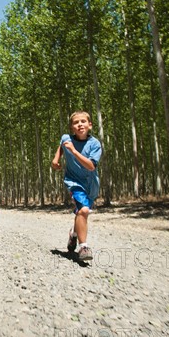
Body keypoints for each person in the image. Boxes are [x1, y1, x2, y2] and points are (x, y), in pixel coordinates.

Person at [52, 111, 102, 262]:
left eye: (83, 121)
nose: (80, 124)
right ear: (72, 127)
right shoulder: (66, 138)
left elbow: (91, 166)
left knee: (81, 213)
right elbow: (62, 146)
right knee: (84, 210)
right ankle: (84, 247)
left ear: (90, 125)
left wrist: (73, 151)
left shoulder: (95, 144)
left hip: (91, 185)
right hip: (73, 182)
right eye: (76, 122)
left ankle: (73, 235)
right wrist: (55, 160)